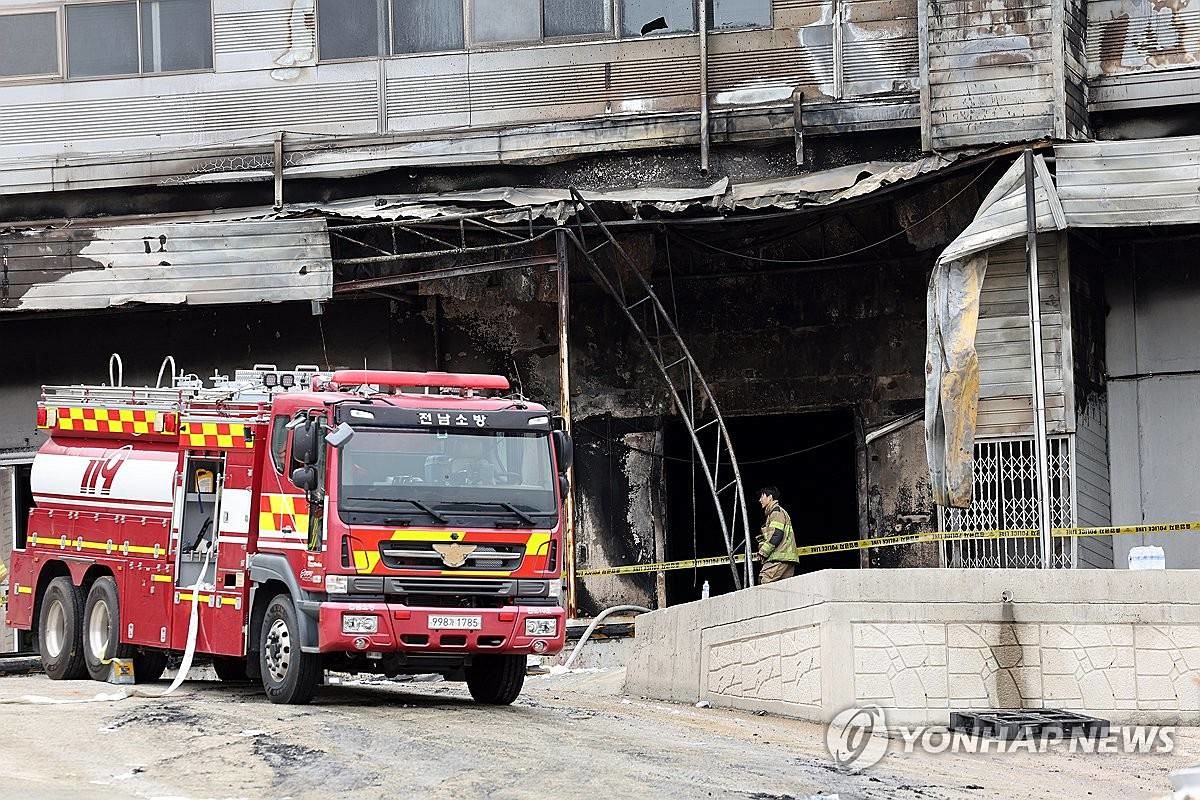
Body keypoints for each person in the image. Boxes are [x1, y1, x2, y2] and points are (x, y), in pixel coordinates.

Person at [756, 486, 798, 584]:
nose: (760, 500)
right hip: (787, 557)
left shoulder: (776, 512)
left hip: (779, 557)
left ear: (770, 497)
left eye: (762, 497)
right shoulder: (778, 512)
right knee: (783, 588)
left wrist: (763, 551)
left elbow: (776, 534)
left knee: (764, 580)